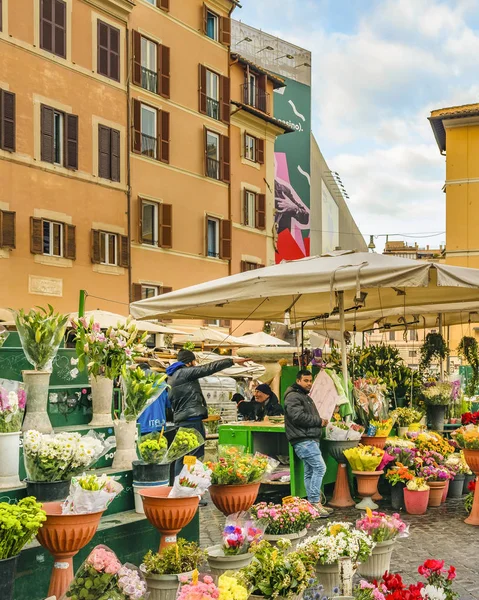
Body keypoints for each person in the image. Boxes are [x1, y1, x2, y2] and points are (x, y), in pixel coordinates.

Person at [167, 349, 246, 465]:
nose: (195, 364)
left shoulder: (172, 376)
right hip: (191, 420)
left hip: (182, 420)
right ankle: (187, 479)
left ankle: (180, 480)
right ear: (189, 362)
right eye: (194, 361)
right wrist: (231, 361)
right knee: (194, 454)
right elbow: (208, 368)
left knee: (184, 453)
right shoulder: (184, 372)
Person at [284, 370, 333, 517]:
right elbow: (297, 417)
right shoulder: (293, 396)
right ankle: (314, 503)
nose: (309, 383)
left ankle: (312, 505)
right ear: (298, 381)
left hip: (308, 438)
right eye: (306, 380)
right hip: (303, 439)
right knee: (320, 467)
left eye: (310, 380)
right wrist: (319, 421)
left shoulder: (304, 396)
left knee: (310, 471)